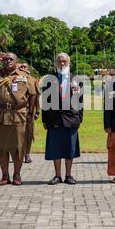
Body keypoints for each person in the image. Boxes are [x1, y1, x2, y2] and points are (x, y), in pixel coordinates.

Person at [0, 52, 37, 186]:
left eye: (11, 59)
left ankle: (17, 174)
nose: (8, 61)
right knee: (1, 147)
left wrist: (31, 113)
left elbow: (33, 94)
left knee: (18, 147)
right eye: (5, 59)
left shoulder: (24, 76)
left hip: (18, 115)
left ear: (16, 61)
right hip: (0, 114)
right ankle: (5, 175)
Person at [42, 53, 83, 185]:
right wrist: (44, 120)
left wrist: (79, 118)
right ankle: (57, 175)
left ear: (69, 63)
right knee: (55, 148)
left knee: (69, 148)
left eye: (64, 61)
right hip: (54, 119)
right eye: (59, 61)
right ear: (56, 63)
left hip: (71, 119)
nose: (62, 64)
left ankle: (69, 175)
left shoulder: (76, 79)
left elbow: (80, 101)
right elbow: (44, 100)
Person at [18, 62, 40, 164]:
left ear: (28, 69)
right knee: (17, 134)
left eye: (24, 67)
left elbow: (37, 98)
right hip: (16, 111)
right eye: (21, 67)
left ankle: (27, 154)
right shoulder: (14, 79)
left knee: (28, 133)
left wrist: (37, 112)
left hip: (28, 111)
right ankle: (18, 154)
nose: (22, 68)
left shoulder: (33, 80)